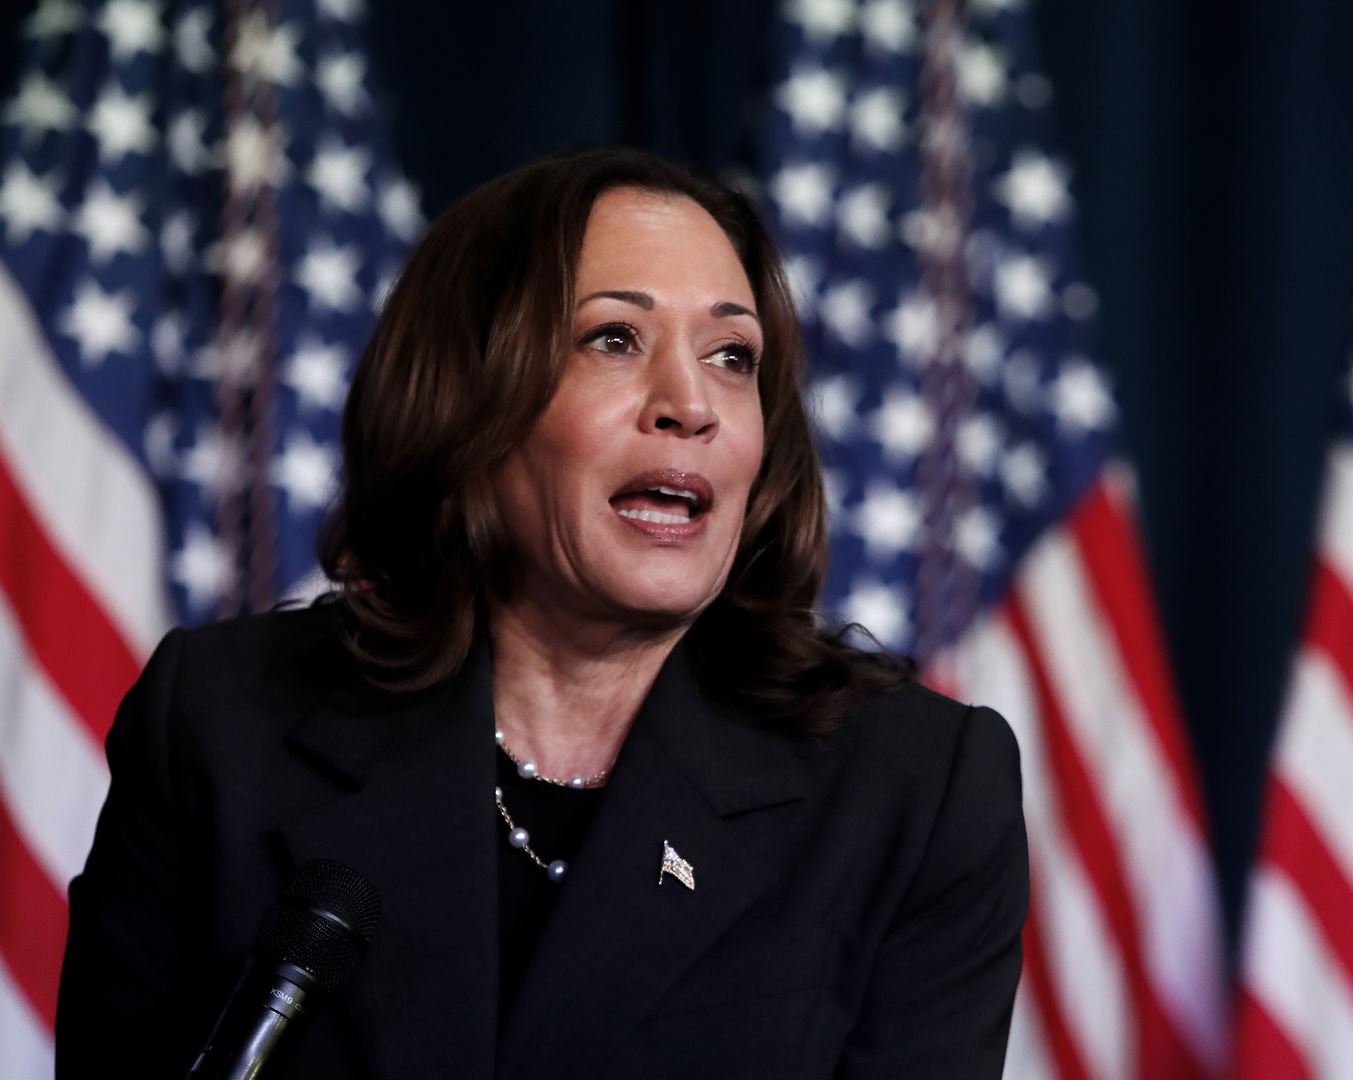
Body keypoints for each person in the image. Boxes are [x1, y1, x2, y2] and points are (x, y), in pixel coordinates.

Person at [54, 147, 1028, 1079]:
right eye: (614, 338)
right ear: (466, 397)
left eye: (733, 356)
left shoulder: (915, 788)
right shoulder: (224, 724)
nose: (691, 404)